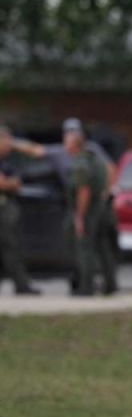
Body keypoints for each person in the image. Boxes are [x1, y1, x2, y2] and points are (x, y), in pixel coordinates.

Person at [61, 119, 114, 296]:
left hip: (88, 211)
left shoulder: (80, 164)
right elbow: (109, 173)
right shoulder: (96, 160)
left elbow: (83, 191)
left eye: (66, 143)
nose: (64, 146)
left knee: (84, 250)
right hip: (101, 208)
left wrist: (79, 217)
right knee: (102, 247)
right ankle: (110, 284)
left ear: (74, 145)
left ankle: (86, 287)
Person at [0, 126, 41, 295]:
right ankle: (21, 284)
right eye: (6, 141)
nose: (9, 145)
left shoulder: (7, 163)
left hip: (7, 205)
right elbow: (4, 184)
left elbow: (16, 184)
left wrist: (9, 183)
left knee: (12, 246)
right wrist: (9, 184)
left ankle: (21, 284)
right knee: (9, 247)